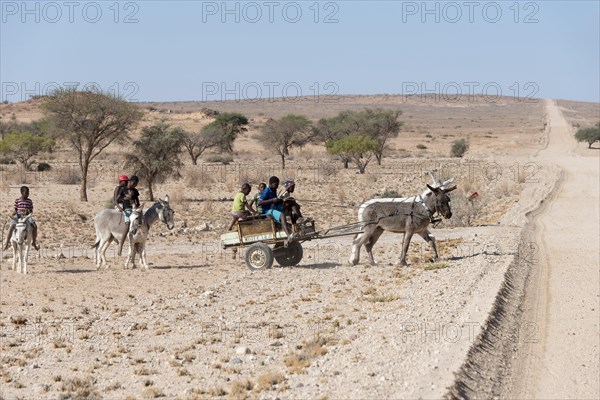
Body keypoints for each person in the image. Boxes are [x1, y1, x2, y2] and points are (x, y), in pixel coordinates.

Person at [3, 186, 39, 251]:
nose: (28, 194)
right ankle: (7, 243)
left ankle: (33, 242)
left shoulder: (29, 201)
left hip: (26, 216)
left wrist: (27, 213)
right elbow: (15, 209)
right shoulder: (17, 200)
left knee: (34, 226)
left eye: (28, 193)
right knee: (12, 226)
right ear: (22, 193)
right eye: (26, 193)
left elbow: (31, 210)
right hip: (18, 215)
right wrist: (13, 214)